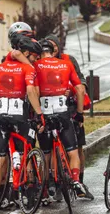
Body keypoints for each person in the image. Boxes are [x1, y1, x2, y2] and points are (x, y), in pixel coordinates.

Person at [0, 38, 44, 213]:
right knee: (25, 153)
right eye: (34, 56)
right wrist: (39, 114)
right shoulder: (28, 69)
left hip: (2, 115)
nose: (35, 60)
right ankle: (29, 195)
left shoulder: (2, 66)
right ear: (27, 53)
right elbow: (31, 91)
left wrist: (6, 91)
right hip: (19, 117)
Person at [34, 39, 87, 201]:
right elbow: (79, 88)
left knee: (46, 152)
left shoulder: (36, 66)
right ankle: (76, 181)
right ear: (52, 51)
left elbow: (33, 90)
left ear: (40, 53)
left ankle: (47, 183)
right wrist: (79, 112)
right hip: (63, 112)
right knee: (73, 151)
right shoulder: (66, 64)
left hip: (45, 113)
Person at [45, 35, 94, 200]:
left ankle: (79, 181)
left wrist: (70, 89)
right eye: (49, 47)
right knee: (52, 147)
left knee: (78, 147)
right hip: (53, 109)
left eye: (55, 46)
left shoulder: (69, 60)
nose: (53, 50)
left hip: (71, 107)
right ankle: (53, 182)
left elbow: (81, 83)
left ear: (58, 48)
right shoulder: (41, 62)